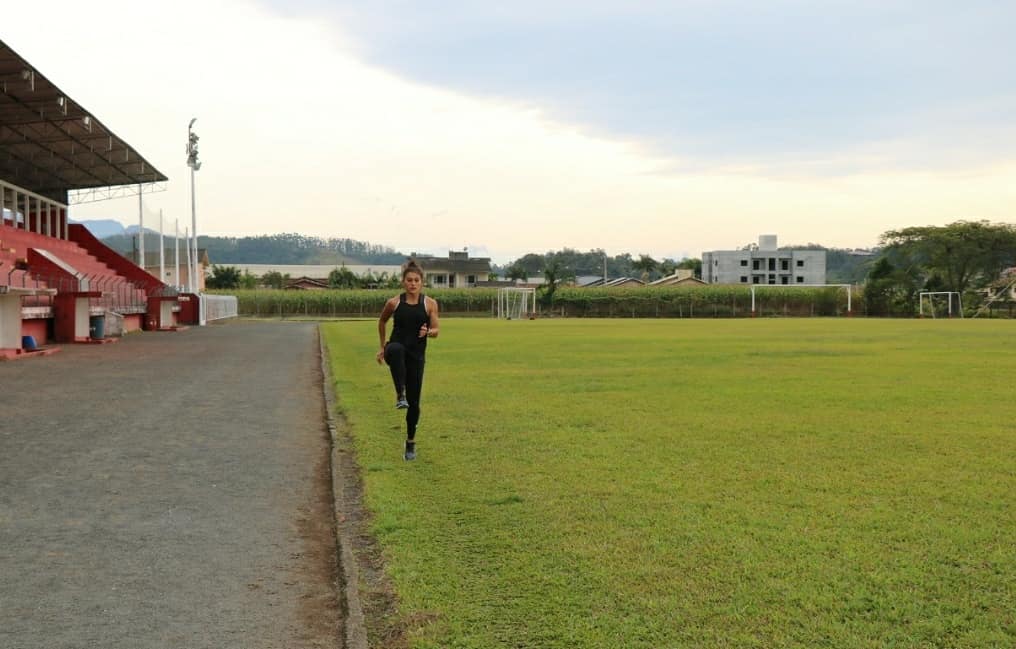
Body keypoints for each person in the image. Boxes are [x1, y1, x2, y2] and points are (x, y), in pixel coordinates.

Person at [376, 259, 440, 460]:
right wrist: (382, 346)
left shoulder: (429, 304)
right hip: (395, 350)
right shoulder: (393, 303)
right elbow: (382, 321)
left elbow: (437, 330)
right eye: (409, 280)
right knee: (396, 349)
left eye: (416, 280)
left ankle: (410, 442)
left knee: (415, 404)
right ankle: (399, 394)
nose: (413, 283)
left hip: (417, 356)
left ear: (422, 283)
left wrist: (428, 331)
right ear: (403, 282)